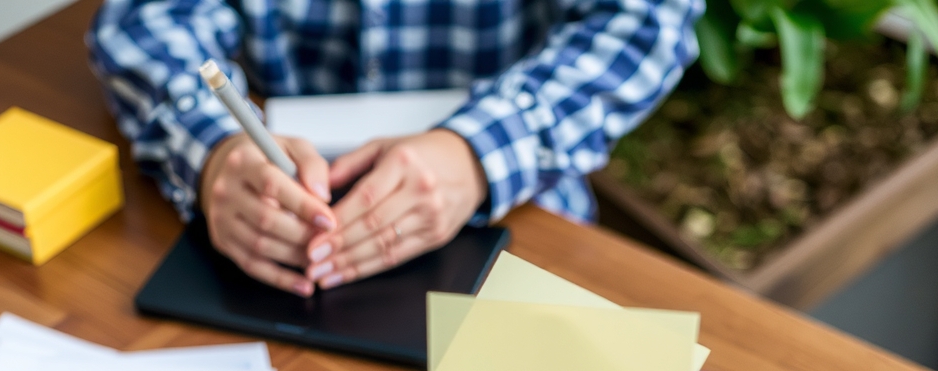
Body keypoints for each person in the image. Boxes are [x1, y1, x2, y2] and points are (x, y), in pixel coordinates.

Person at [88, 0, 701, 296]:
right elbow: (144, 20)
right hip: (276, 211)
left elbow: (647, 22)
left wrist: (479, 151)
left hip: (523, 208)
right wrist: (213, 146)